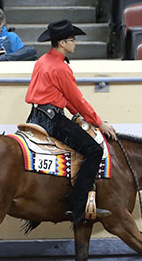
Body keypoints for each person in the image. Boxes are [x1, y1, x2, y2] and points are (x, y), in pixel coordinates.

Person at [25, 19, 117, 225]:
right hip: (52, 120)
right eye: (72, 40)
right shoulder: (60, 68)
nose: (75, 43)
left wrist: (77, 115)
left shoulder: (42, 61)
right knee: (94, 150)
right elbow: (77, 99)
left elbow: (64, 97)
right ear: (62, 43)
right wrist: (99, 123)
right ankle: (79, 203)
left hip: (36, 116)